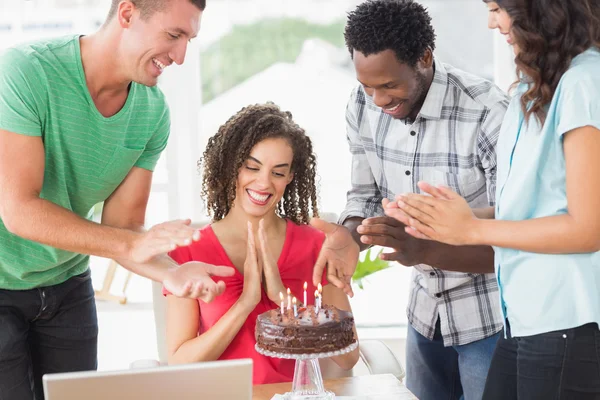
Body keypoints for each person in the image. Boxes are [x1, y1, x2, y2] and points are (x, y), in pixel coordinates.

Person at [0, 1, 236, 399]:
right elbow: (20, 211)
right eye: (173, 35)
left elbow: (124, 229)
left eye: (188, 41)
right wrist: (132, 243)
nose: (179, 57)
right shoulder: (27, 71)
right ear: (127, 14)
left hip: (67, 285)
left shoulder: (152, 113)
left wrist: (170, 272)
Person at [389, 1, 600, 398]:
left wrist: (472, 228)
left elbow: (588, 228)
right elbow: (530, 211)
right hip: (523, 319)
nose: (491, 21)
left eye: (498, 6)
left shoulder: (585, 84)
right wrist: (441, 220)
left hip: (566, 321)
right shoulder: (530, 88)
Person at [325, 0, 510, 399]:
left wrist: (423, 248)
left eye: (389, 85)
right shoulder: (361, 105)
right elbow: (364, 195)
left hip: (490, 319)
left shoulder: (488, 114)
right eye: (367, 86)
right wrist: (349, 235)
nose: (376, 99)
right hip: (424, 315)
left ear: (425, 57)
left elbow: (511, 243)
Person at [164, 103, 360, 384]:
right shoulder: (189, 250)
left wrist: (284, 303)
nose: (263, 183)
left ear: (290, 178)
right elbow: (178, 362)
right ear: (231, 165)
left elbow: (348, 357)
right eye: (252, 167)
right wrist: (246, 303)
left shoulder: (317, 247)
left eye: (278, 173)